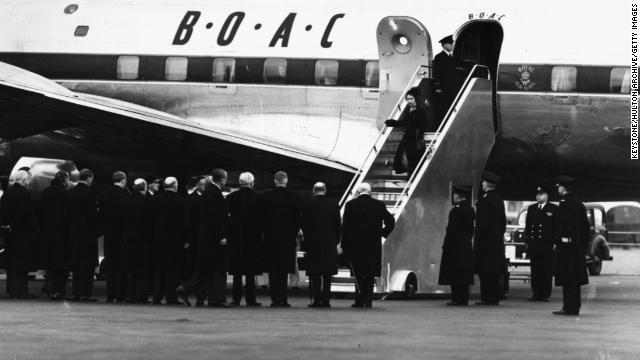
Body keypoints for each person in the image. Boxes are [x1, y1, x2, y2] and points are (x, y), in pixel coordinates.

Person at [177, 169, 233, 307]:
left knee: (207, 269)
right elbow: (216, 217)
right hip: (214, 239)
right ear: (222, 179)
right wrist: (222, 235)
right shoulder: (214, 193)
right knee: (219, 269)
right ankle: (217, 298)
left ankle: (185, 289)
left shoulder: (209, 192)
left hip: (207, 238)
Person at [341, 183, 395, 308]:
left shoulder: (350, 205)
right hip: (373, 245)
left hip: (355, 246)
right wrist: (382, 233)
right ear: (370, 192)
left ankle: (359, 300)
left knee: (358, 273)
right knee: (370, 274)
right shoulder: (379, 205)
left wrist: (345, 245)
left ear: (358, 192)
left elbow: (345, 228)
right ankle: (368, 301)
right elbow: (390, 221)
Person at [261, 171, 300, 307]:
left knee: (273, 270)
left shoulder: (267, 197)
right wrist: (293, 234)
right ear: (286, 180)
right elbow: (297, 220)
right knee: (283, 270)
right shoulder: (293, 197)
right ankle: (283, 299)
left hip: (271, 239)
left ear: (275, 181)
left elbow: (262, 219)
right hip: (287, 239)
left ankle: (274, 299)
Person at [553, 176, 590, 316]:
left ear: (563, 188)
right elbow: (585, 229)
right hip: (576, 247)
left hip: (566, 247)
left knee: (567, 279)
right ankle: (573, 306)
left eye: (559, 187)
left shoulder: (564, 204)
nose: (558, 189)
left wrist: (559, 242)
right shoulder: (579, 204)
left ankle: (569, 307)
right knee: (574, 279)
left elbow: (562, 227)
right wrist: (581, 246)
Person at [301, 182, 340, 308]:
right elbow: (338, 225)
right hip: (329, 242)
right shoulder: (334, 204)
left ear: (314, 190)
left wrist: (306, 238)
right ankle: (326, 300)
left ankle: (316, 300)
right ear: (325, 190)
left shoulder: (307, 204)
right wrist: (336, 240)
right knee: (327, 274)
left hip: (313, 242)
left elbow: (304, 224)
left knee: (315, 273)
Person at [227, 172, 263, 307]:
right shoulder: (258, 198)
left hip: (236, 238)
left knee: (237, 271)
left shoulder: (231, 197)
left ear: (239, 182)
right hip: (252, 238)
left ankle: (235, 299)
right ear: (252, 183)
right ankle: (250, 299)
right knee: (250, 272)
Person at [151, 177, 189, 305]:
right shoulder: (181, 202)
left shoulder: (155, 200)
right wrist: (185, 239)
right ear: (174, 186)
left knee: (158, 269)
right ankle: (171, 297)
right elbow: (184, 224)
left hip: (157, 240)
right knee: (172, 270)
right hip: (175, 241)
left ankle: (156, 296)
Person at [1, 169, 37, 299]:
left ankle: (12, 290)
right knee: (22, 263)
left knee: (11, 263)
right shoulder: (25, 194)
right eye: (28, 179)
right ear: (24, 180)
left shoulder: (7, 194)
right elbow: (26, 214)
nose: (29, 182)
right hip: (23, 234)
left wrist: (7, 226)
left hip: (10, 234)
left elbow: (3, 213)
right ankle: (21, 291)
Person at [473, 171, 507, 305]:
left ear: (486, 184)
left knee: (485, 272)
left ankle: (487, 297)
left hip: (485, 244)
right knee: (494, 272)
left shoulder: (484, 200)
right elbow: (502, 222)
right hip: (496, 243)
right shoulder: (499, 200)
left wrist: (480, 241)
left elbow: (482, 224)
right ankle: (494, 297)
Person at [438, 186, 475, 306]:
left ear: (458, 196)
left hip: (454, 246)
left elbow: (451, 230)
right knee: (464, 273)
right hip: (465, 245)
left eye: (454, 195)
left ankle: (456, 298)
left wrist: (446, 245)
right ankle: (464, 298)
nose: (453, 197)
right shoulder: (470, 209)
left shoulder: (456, 211)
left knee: (454, 273)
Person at [67, 169, 99, 302]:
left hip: (74, 233)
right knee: (87, 266)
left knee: (76, 265)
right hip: (87, 234)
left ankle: (75, 292)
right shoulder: (90, 194)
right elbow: (93, 215)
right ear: (89, 178)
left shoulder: (71, 193)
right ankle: (86, 293)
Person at [98, 171, 129, 303]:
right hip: (121, 234)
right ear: (123, 180)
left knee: (110, 265)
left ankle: (110, 294)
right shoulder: (125, 195)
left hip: (108, 234)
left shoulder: (104, 194)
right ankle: (120, 294)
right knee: (121, 266)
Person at [524, 186, 558, 302]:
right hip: (534, 244)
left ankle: (545, 294)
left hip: (547, 245)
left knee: (547, 271)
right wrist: (527, 240)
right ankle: (536, 293)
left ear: (547, 196)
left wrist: (555, 242)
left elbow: (556, 227)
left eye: (542, 194)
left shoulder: (553, 208)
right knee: (535, 271)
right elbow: (528, 226)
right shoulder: (532, 208)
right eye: (537, 194)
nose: (539, 196)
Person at [40, 170, 70, 300]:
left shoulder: (46, 192)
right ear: (64, 180)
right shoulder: (64, 193)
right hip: (61, 234)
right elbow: (66, 214)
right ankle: (58, 290)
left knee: (50, 262)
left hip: (47, 232)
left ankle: (48, 286)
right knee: (61, 264)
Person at [121, 178, 152, 303]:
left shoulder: (124, 201)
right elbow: (148, 223)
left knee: (130, 269)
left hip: (127, 240)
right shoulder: (146, 202)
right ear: (144, 188)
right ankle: (141, 295)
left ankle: (129, 294)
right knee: (142, 270)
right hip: (142, 240)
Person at [384, 87, 428, 175]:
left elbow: (424, 125)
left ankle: (411, 174)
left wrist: (420, 137)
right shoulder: (408, 110)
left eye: (411, 99)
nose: (409, 101)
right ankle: (405, 171)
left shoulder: (420, 111)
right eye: (407, 99)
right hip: (408, 135)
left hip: (415, 137)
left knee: (412, 157)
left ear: (416, 99)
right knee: (402, 154)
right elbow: (404, 122)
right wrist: (392, 123)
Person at [185, 176, 206, 305]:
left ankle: (200, 296)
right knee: (196, 267)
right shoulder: (192, 200)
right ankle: (196, 294)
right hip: (194, 238)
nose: (204, 186)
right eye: (202, 184)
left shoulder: (200, 198)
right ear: (197, 185)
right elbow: (188, 221)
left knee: (199, 267)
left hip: (201, 238)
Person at [433, 34, 458, 126]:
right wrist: (438, 87)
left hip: (451, 88)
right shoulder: (439, 57)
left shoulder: (451, 57)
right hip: (443, 89)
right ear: (444, 45)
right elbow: (437, 73)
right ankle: (438, 127)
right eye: (450, 43)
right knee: (441, 109)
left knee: (449, 108)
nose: (452, 45)